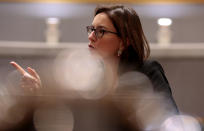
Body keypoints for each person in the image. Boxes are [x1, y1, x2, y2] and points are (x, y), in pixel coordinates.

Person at [8, 4, 178, 131]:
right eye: (91, 29)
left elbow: (168, 120)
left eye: (100, 31)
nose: (90, 37)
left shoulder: (147, 70)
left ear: (124, 40)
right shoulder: (92, 76)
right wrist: (39, 95)